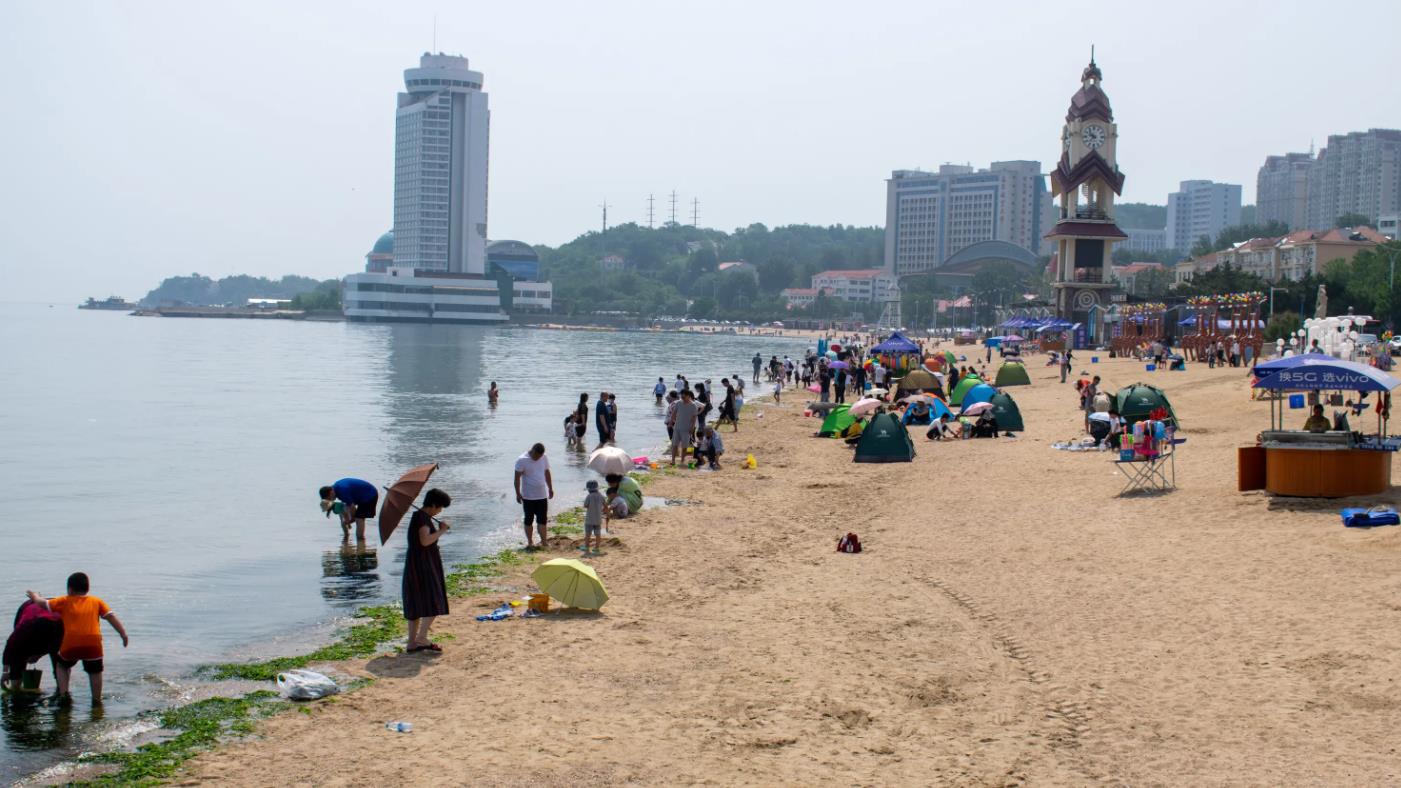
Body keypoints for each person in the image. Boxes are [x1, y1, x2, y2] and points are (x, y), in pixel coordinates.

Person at [26, 573, 128, 703]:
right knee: (95, 671)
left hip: (71, 644)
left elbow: (42, 603)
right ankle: (96, 700)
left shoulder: (64, 601)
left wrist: (35, 596)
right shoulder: (97, 601)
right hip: (93, 644)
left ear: (70, 589)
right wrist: (123, 634)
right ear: (87, 588)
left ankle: (64, 695)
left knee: (62, 665)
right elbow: (111, 617)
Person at [403, 488, 451, 653]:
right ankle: (421, 637)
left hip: (414, 563)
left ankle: (412, 642)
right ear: (433, 504)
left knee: (415, 602)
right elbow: (425, 541)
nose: (440, 511)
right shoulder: (423, 519)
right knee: (434, 599)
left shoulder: (419, 516)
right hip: (424, 564)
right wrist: (442, 530)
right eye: (440, 507)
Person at [2, 600, 63, 693]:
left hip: (56, 615)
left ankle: (61, 690)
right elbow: (11, 645)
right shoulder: (26, 628)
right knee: (19, 653)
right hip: (29, 609)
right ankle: (15, 685)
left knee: (59, 662)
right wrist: (5, 672)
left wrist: (39, 655)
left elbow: (56, 646)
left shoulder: (61, 627)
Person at [513, 443, 554, 549]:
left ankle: (544, 542)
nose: (538, 458)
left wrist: (550, 488)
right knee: (528, 520)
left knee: (542, 520)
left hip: (542, 495)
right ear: (533, 451)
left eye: (540, 457)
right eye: (537, 456)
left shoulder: (544, 457)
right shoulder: (522, 460)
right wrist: (518, 494)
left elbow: (546, 472)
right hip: (528, 496)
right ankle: (530, 542)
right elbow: (517, 478)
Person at [319, 478, 379, 542]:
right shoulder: (336, 489)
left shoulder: (342, 491)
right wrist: (348, 520)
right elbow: (347, 506)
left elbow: (352, 507)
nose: (331, 500)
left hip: (369, 495)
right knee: (350, 513)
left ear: (331, 492)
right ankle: (347, 536)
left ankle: (360, 540)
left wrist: (352, 519)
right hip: (360, 495)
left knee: (359, 518)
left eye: (329, 498)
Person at [669, 389, 700, 466]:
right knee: (674, 444)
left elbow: (694, 418)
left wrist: (692, 428)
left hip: (687, 429)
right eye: (681, 396)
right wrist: (670, 422)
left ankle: (682, 460)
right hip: (677, 428)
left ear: (689, 396)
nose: (682, 398)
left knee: (684, 446)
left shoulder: (693, 405)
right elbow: (674, 413)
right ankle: (673, 460)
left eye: (684, 397)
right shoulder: (678, 403)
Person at [582, 480, 606, 555]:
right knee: (598, 534)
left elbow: (585, 505)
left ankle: (586, 547)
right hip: (598, 519)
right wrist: (604, 511)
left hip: (589, 519)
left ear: (588, 489)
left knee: (588, 534)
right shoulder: (601, 496)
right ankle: (597, 548)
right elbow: (605, 505)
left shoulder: (589, 496)